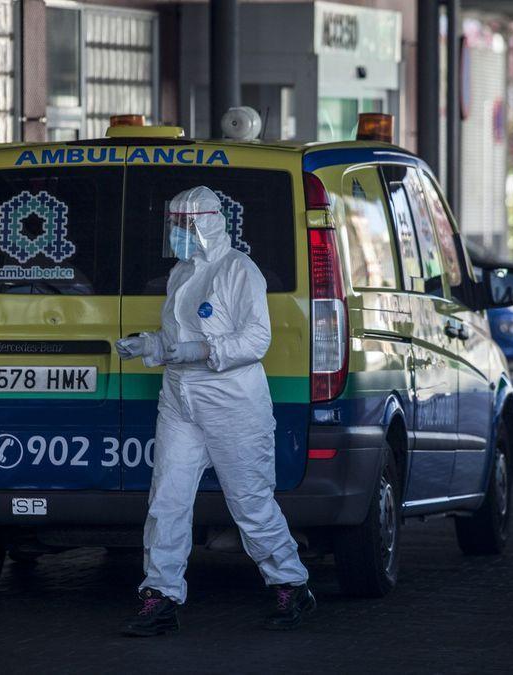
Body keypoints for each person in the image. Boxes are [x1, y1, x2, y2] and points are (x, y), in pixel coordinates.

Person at [115, 186, 314, 636]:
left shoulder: (239, 271)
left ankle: (290, 582)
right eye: (174, 227)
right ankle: (160, 595)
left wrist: (198, 349)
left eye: (185, 226)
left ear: (207, 223)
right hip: (181, 399)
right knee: (166, 499)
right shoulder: (182, 273)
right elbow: (178, 339)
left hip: (232, 404)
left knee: (250, 503)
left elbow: (256, 340)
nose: (178, 235)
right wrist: (151, 345)